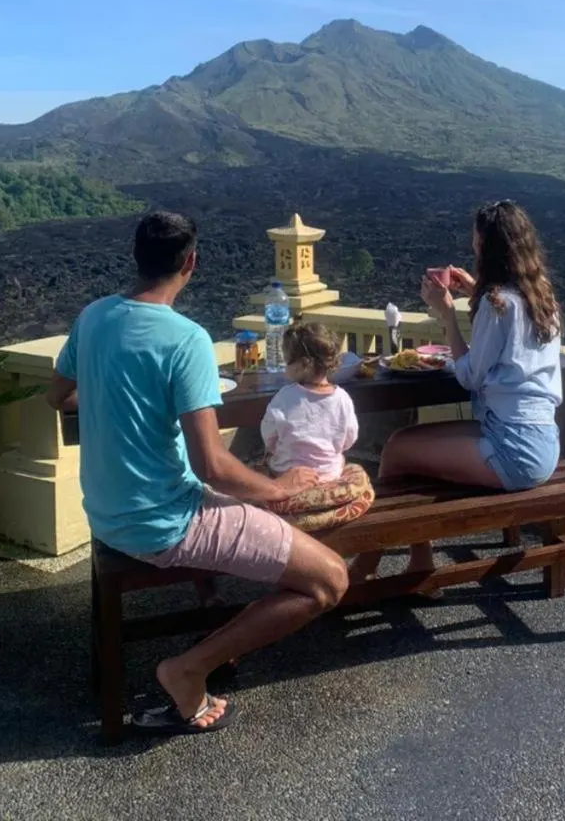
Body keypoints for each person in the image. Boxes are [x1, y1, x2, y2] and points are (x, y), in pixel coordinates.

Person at [47, 210, 348, 736]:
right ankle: (189, 668)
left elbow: (59, 396)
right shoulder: (186, 340)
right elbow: (215, 464)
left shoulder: (93, 317)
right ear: (191, 262)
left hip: (105, 510)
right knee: (329, 580)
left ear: (136, 257)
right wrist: (280, 489)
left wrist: (116, 393)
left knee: (238, 501)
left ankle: (214, 612)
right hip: (165, 521)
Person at [350, 200, 562, 583]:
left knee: (397, 450)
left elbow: (469, 376)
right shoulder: (540, 297)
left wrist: (447, 314)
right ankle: (419, 562)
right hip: (542, 442)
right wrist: (478, 292)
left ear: (486, 247)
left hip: (511, 450)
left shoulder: (497, 306)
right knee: (410, 446)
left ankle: (372, 565)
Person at [261, 324, 359, 482]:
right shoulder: (343, 398)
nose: (285, 367)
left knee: (262, 465)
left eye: (287, 362)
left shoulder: (284, 396)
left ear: (303, 364)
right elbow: (349, 439)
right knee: (341, 460)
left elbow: (269, 437)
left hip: (287, 476)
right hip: (329, 476)